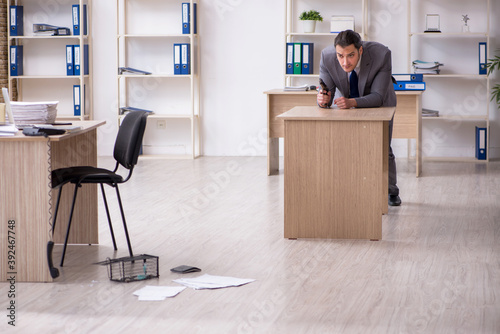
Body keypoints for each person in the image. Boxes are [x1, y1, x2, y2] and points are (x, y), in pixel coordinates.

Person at [317, 29, 401, 206]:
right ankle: (356, 189)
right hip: (349, 102)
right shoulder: (327, 57)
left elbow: (378, 96)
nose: (345, 62)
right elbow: (326, 93)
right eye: (340, 56)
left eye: (350, 55)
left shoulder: (381, 54)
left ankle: (391, 190)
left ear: (360, 51)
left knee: (382, 146)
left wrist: (351, 102)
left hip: (380, 101)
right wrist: (322, 100)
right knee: (350, 147)